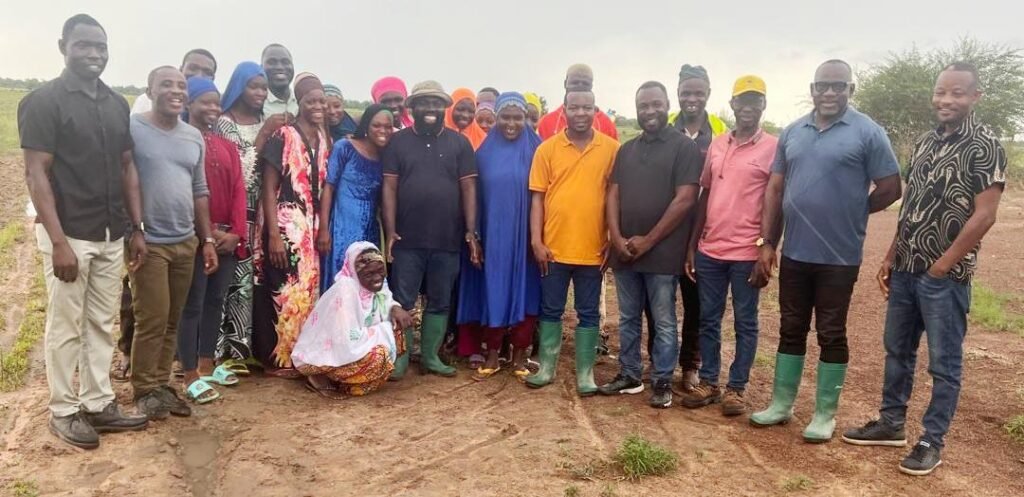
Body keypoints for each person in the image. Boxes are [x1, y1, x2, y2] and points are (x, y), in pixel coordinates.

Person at [842, 62, 1007, 476]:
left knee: (943, 364)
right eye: (941, 92)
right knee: (897, 350)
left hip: (945, 277)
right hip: (906, 268)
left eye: (957, 93)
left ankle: (932, 440)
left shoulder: (984, 145)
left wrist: (942, 266)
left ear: (975, 97)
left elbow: (984, 215)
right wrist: (890, 256)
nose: (946, 100)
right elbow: (911, 207)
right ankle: (891, 423)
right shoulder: (925, 143)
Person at [750, 60, 902, 443]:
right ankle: (782, 405)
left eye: (838, 86)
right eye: (822, 86)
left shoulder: (868, 132)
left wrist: (855, 208)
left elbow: (891, 187)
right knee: (790, 328)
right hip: (796, 253)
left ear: (850, 89)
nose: (829, 93)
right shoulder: (792, 132)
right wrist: (769, 243)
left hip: (840, 256)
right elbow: (776, 189)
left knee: (831, 332)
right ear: (812, 89)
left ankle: (824, 414)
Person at [19, 13, 149, 449]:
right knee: (65, 325)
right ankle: (63, 409)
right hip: (70, 233)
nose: (94, 54)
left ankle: (98, 402)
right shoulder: (43, 102)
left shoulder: (116, 103)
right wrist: (58, 242)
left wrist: (136, 228)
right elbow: (37, 174)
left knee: (99, 322)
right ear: (63, 47)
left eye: (101, 46)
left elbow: (127, 167)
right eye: (84, 45)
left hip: (112, 232)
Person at [598, 81, 701, 408]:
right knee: (627, 317)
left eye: (656, 104)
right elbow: (612, 193)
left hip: (662, 254)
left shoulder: (683, 148)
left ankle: (661, 380)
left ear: (667, 104)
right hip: (626, 252)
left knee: (664, 318)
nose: (650, 111)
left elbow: (685, 199)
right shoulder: (626, 150)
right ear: (637, 108)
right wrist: (615, 237)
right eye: (644, 106)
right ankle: (629, 373)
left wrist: (649, 240)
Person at [116, 47, 218, 378]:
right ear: (149, 92)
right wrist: (135, 230)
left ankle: (160, 386)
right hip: (150, 242)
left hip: (185, 241)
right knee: (152, 319)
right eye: (166, 85)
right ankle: (146, 389)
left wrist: (206, 240)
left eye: (180, 87)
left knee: (173, 319)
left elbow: (199, 191)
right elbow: (123, 179)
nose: (175, 91)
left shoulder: (193, 137)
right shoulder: (132, 129)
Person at [679, 75, 778, 416]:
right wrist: (693, 245)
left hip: (747, 252)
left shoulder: (773, 148)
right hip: (711, 251)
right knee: (708, 319)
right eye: (742, 100)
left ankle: (737, 388)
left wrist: (767, 247)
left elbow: (776, 201)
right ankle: (709, 382)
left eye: (756, 100)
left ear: (764, 105)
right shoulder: (718, 145)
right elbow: (704, 196)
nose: (748, 107)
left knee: (745, 322)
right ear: (732, 104)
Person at [382, 80, 481, 378]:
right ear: (413, 107)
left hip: (447, 237)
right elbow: (389, 186)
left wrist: (470, 231)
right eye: (424, 102)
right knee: (403, 298)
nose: (430, 109)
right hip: (406, 237)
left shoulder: (460, 143)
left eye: (436, 103)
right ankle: (400, 359)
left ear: (444, 108)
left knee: (440, 299)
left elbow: (469, 188)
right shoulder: (398, 142)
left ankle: (430, 357)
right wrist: (390, 231)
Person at [526, 90, 620, 395]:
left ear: (596, 111)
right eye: (574, 107)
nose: (581, 112)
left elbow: (616, 198)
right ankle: (547, 368)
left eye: (587, 107)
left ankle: (585, 374)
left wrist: (611, 239)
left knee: (589, 312)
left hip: (593, 250)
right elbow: (537, 198)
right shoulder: (547, 149)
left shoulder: (611, 149)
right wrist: (536, 240)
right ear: (564, 110)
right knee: (551, 309)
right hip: (553, 249)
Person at [456, 92, 542, 382]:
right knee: (493, 289)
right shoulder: (483, 155)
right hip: (494, 237)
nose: (511, 123)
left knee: (527, 291)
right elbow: (474, 199)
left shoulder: (538, 150)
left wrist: (539, 238)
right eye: (505, 117)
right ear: (496, 119)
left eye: (517, 117)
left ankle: (519, 355)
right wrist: (475, 237)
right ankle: (493, 353)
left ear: (526, 119)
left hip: (527, 238)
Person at [657, 63, 729, 392]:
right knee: (658, 300)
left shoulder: (720, 132)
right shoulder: (665, 128)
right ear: (677, 94)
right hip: (666, 228)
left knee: (697, 302)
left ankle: (690, 365)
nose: (692, 98)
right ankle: (659, 361)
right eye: (686, 92)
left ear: (709, 94)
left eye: (698, 92)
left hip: (704, 231)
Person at [176, 77, 248, 404]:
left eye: (216, 103)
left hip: (225, 238)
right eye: (205, 101)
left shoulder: (228, 147)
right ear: (188, 104)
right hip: (194, 236)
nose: (212, 108)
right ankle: (188, 373)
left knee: (215, 302)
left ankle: (208, 364)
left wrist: (235, 233)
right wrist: (206, 233)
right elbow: (185, 192)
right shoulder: (183, 142)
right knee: (192, 303)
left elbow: (237, 192)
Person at [254, 73, 329, 376]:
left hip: (309, 228)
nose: (318, 106)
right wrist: (272, 234)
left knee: (307, 288)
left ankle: (298, 353)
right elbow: (268, 187)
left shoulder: (324, 139)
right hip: (283, 225)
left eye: (321, 100)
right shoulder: (284, 135)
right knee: (281, 288)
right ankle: (276, 359)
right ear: (300, 102)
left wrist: (322, 227)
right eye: (311, 100)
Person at [216, 62, 285, 374]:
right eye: (253, 86)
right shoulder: (225, 123)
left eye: (263, 87)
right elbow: (239, 170)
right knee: (232, 281)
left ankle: (250, 348)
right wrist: (266, 132)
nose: (259, 93)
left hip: (265, 212)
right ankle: (224, 351)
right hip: (238, 213)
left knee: (253, 281)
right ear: (238, 88)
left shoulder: (264, 119)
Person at [293, 242, 414, 397]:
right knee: (380, 356)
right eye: (369, 274)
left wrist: (395, 308)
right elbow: (347, 343)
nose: (377, 278)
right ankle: (321, 377)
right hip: (329, 356)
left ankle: (348, 381)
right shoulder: (346, 290)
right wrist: (384, 330)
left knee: (397, 328)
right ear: (354, 273)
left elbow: (386, 299)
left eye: (380, 271)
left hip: (354, 346)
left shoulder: (376, 285)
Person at [318, 104, 395, 293]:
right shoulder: (345, 147)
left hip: (370, 231)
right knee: (341, 284)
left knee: (366, 283)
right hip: (342, 228)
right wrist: (323, 229)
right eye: (377, 125)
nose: (383, 131)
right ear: (367, 125)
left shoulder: (386, 156)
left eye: (387, 126)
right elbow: (329, 188)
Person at [536, 64, 618, 140]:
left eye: (585, 83)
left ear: (592, 86)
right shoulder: (546, 123)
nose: (580, 86)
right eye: (575, 82)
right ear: (565, 84)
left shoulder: (606, 124)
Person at [130, 48, 216, 114]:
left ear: (213, 78)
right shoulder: (148, 100)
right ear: (181, 69)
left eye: (207, 72)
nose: (198, 76)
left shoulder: (213, 110)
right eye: (193, 68)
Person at [261, 44, 297, 116]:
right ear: (261, 67)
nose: (279, 67)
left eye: (285, 62)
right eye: (272, 62)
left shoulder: (302, 101)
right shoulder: (256, 105)